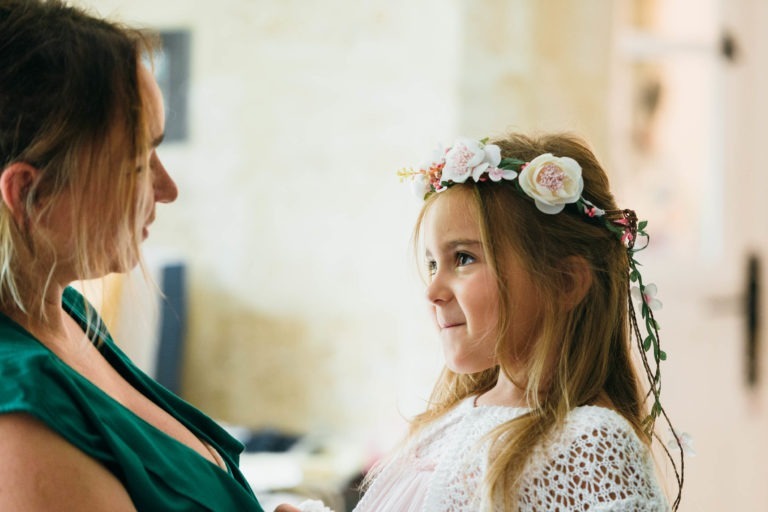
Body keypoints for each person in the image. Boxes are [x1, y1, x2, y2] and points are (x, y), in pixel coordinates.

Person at [283, 133, 684, 512]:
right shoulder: (448, 418)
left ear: (564, 283)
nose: (432, 290)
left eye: (463, 258)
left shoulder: (590, 444)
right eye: (432, 264)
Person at [0, 1, 265, 510]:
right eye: (138, 163)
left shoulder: (68, 314)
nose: (167, 189)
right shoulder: (18, 418)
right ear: (29, 193)